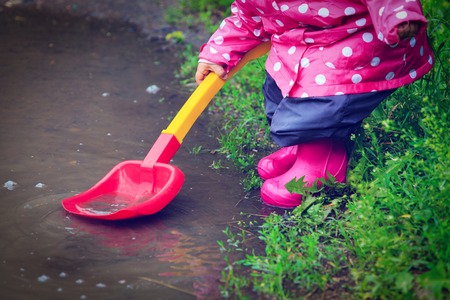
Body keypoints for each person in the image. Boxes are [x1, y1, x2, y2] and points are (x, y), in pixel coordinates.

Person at [195, 1, 434, 208]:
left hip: (355, 41)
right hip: (297, 44)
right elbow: (249, 17)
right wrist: (218, 53)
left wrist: (400, 15)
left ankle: (322, 163)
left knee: (318, 104)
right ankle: (303, 146)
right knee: (278, 91)